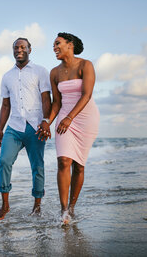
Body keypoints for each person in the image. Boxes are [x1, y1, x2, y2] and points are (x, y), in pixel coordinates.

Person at [37, 32, 99, 224]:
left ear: (70, 45)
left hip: (85, 117)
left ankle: (72, 207)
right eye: (53, 45)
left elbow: (87, 95)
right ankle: (63, 210)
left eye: (58, 44)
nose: (54, 47)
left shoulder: (85, 65)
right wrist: (47, 121)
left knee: (79, 166)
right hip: (64, 116)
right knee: (64, 161)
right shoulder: (54, 72)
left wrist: (71, 118)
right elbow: (57, 103)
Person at [0, 37, 51, 221]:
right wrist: (0, 130)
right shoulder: (7, 76)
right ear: (13, 51)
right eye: (16, 47)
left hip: (35, 126)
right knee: (4, 161)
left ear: (29, 49)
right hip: (14, 126)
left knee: (38, 167)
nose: (19, 50)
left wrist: (46, 121)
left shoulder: (41, 71)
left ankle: (36, 207)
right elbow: (5, 105)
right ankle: (5, 205)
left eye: (22, 47)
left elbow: (45, 99)